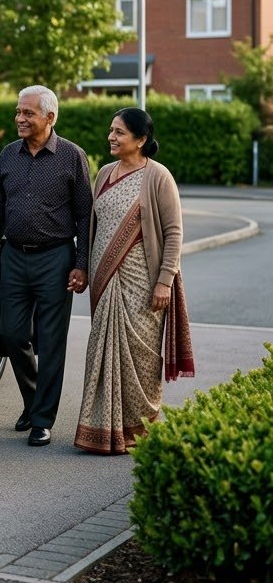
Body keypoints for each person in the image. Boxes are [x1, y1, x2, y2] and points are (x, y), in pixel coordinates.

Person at [74, 108, 194, 454]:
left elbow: (173, 233)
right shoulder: (105, 174)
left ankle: (139, 430)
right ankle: (100, 430)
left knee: (140, 358)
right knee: (101, 351)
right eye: (111, 130)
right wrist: (83, 268)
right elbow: (94, 228)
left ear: (141, 140)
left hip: (144, 283)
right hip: (104, 280)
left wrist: (164, 281)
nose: (111, 137)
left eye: (120, 133)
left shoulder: (158, 177)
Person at [0, 85, 92, 447]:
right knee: (11, 334)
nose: (20, 119)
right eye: (18, 112)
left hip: (55, 258)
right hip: (13, 256)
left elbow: (85, 216)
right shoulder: (8, 155)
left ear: (49, 117)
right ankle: (32, 402)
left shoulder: (72, 157)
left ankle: (42, 419)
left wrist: (81, 263)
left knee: (52, 341)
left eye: (28, 113)